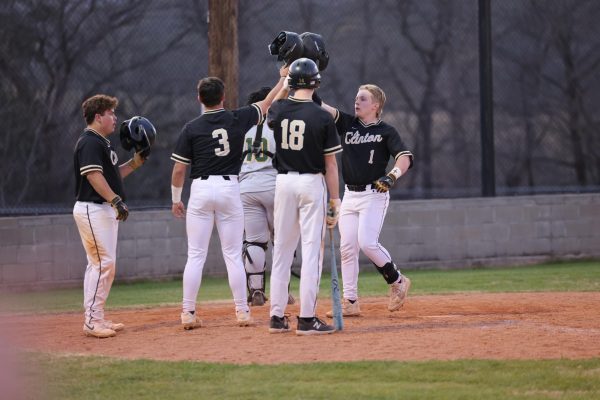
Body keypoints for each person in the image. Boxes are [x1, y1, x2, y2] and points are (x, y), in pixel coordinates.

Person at [171, 67, 287, 330]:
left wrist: (176, 198)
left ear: (199, 98)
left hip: (200, 189)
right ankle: (242, 311)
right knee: (233, 254)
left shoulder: (191, 127)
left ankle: (188, 312)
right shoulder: (236, 118)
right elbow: (268, 102)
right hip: (229, 188)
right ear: (223, 96)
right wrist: (283, 78)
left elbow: (179, 169)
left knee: (196, 255)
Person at [320, 84, 414, 317]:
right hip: (350, 195)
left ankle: (398, 281)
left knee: (367, 242)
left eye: (363, 99)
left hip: (375, 193)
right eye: (356, 98)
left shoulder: (386, 131)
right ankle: (350, 301)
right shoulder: (348, 123)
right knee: (347, 248)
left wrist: (392, 175)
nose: (357, 101)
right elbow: (320, 106)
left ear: (376, 105)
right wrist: (302, 81)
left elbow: (405, 157)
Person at [267, 58, 342, 336]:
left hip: (283, 183)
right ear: (316, 82)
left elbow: (271, 108)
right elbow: (331, 165)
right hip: (311, 183)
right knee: (311, 252)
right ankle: (307, 319)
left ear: (292, 82)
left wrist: (283, 82)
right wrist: (335, 200)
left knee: (282, 252)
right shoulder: (322, 116)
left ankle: (276, 316)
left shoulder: (279, 108)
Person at [73, 94, 148, 338]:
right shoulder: (90, 142)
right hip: (93, 208)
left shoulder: (102, 142)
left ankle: (96, 316)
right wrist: (115, 200)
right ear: (98, 117)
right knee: (104, 264)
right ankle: (92, 321)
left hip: (102, 208)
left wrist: (135, 163)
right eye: (110, 113)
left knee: (99, 264)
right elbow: (94, 176)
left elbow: (113, 176)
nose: (115, 118)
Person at [239, 87, 295, 307]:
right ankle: (283, 292)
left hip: (246, 187)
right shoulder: (277, 125)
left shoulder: (243, 127)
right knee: (282, 241)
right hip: (274, 183)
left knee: (254, 240)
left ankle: (256, 291)